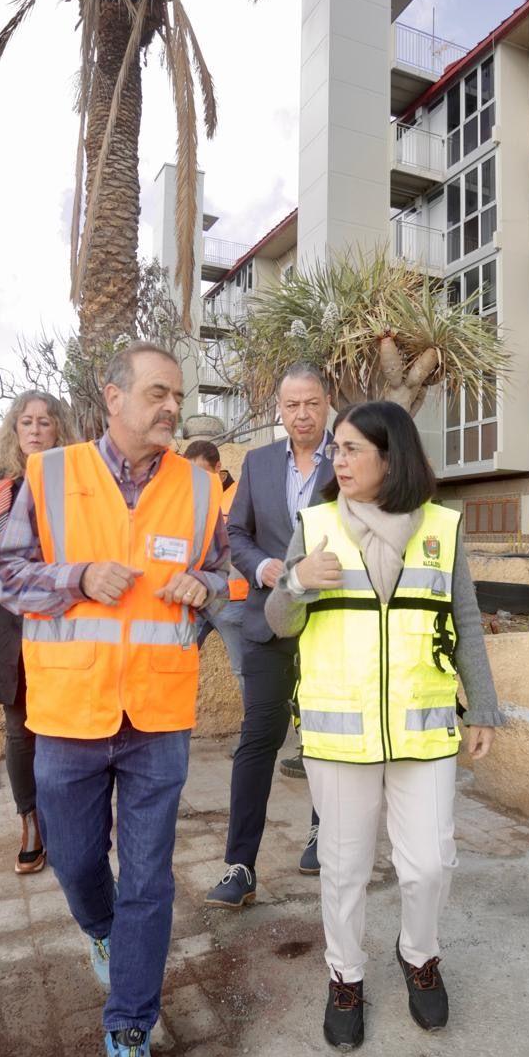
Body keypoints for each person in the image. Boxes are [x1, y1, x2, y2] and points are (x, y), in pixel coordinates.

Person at [0, 343, 228, 1057]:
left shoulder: (199, 488)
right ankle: (100, 932)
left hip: (158, 718)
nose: (170, 407)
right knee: (77, 858)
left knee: (150, 880)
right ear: (113, 395)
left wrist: (207, 589)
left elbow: (222, 579)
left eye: (177, 396)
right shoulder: (51, 476)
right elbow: (5, 573)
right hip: (68, 714)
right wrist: (78, 577)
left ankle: (128, 1031)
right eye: (158, 393)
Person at [265, 400, 502, 1052]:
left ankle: (418, 956)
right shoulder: (313, 526)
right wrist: (296, 580)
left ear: (389, 458)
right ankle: (345, 976)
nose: (337, 460)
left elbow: (468, 620)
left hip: (422, 734)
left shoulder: (441, 529)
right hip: (340, 739)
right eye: (335, 449)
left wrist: (482, 704)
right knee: (344, 871)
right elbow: (276, 621)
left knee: (428, 865)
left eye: (351, 449)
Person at [204, 362, 333, 909]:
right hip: (265, 621)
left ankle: (322, 835)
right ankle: (241, 866)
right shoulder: (255, 464)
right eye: (291, 405)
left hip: (331, 625)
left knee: (327, 737)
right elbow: (236, 532)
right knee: (258, 740)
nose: (301, 414)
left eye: (311, 403)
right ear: (278, 410)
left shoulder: (348, 459)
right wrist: (260, 568)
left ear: (326, 403)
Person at [0, 389, 77, 874]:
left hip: (62, 620)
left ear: (59, 431)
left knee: (64, 728)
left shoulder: (72, 484)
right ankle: (29, 818)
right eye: (26, 422)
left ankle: (66, 818)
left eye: (45, 422)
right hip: (7, 625)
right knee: (20, 729)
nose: (34, 430)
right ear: (15, 429)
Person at [183, 438, 246, 687]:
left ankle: (255, 727)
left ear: (218, 469)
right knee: (177, 663)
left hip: (233, 600)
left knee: (243, 671)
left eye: (201, 472)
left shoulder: (242, 496)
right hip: (196, 599)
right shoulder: (189, 498)